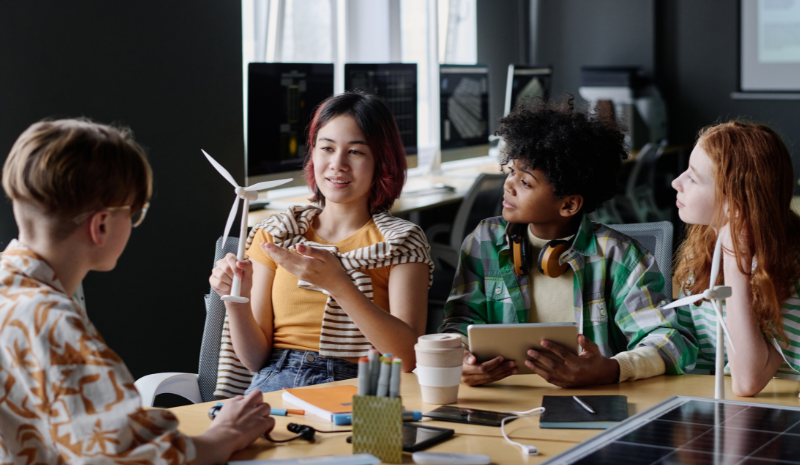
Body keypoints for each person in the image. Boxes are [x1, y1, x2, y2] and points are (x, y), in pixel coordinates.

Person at [0, 119, 275, 464]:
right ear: (101, 226)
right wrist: (226, 434)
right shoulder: (56, 327)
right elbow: (134, 458)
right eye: (136, 213)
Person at [440, 97, 697, 388]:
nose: (508, 185)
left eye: (525, 182)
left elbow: (672, 342)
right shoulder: (484, 241)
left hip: (593, 400)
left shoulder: (619, 257)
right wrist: (458, 356)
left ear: (569, 204)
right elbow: (459, 321)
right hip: (508, 399)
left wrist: (612, 369)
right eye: (511, 172)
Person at [210, 91, 432, 394]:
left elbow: (406, 359)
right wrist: (236, 298)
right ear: (312, 154)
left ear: (382, 161)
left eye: (356, 152)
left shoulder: (401, 242)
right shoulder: (275, 233)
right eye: (326, 148)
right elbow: (254, 360)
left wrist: (339, 285)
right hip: (277, 379)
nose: (337, 164)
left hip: (361, 384)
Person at [672, 120, 800, 397]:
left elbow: (747, 382)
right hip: (712, 402)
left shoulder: (789, 271)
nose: (676, 182)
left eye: (693, 178)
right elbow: (686, 350)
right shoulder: (700, 252)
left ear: (737, 203)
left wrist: (734, 254)